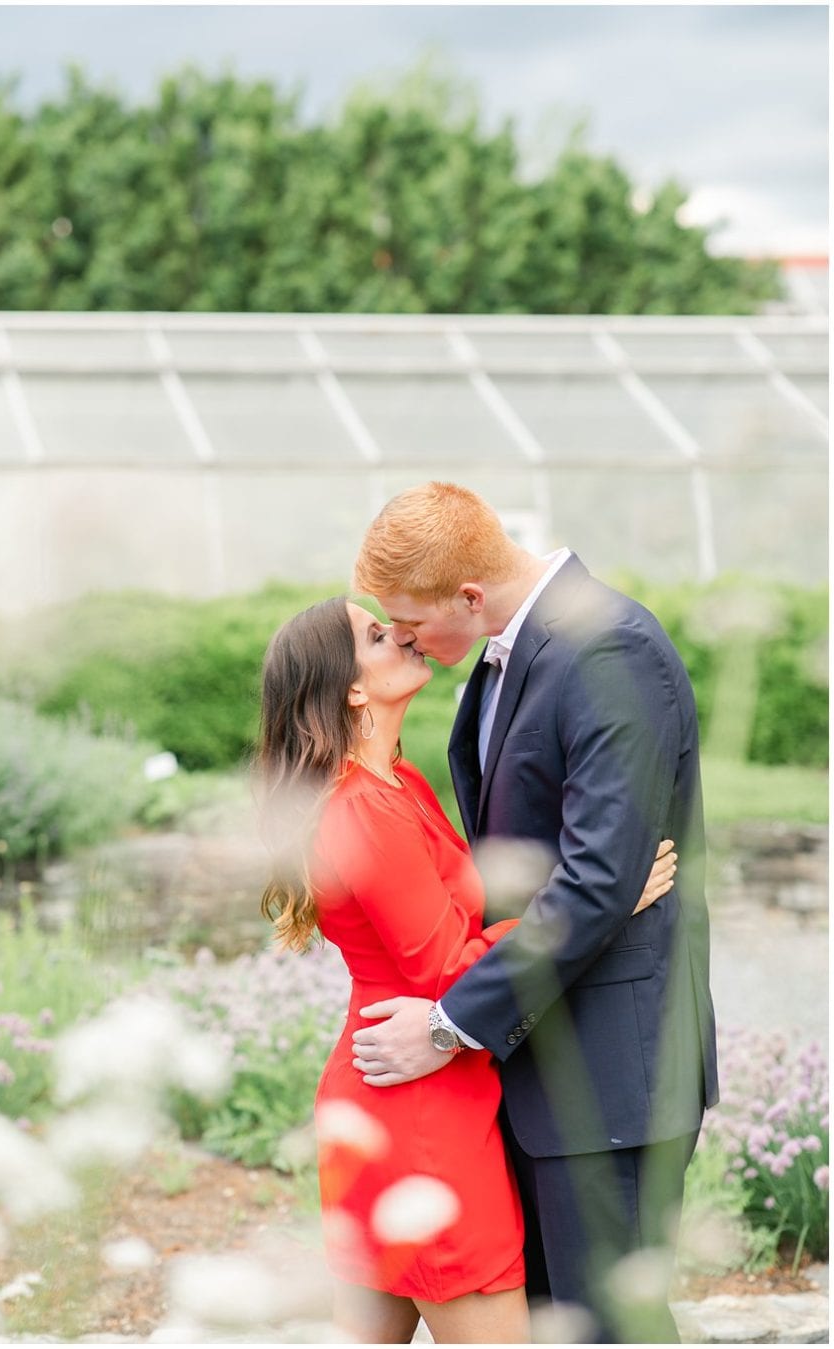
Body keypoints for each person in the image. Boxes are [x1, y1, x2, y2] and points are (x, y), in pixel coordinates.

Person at [346, 482, 717, 1343]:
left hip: (611, 1072)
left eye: (408, 623)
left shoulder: (606, 648)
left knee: (609, 1328)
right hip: (535, 1058)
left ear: (469, 596)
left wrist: (446, 1026)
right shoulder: (508, 651)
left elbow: (596, 882)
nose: (406, 642)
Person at [258, 597, 677, 1344]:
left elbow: (464, 929)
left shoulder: (398, 784)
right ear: (352, 688)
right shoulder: (366, 812)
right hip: (421, 1114)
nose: (407, 635)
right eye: (379, 636)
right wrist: (597, 903)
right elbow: (450, 968)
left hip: (401, 1094)